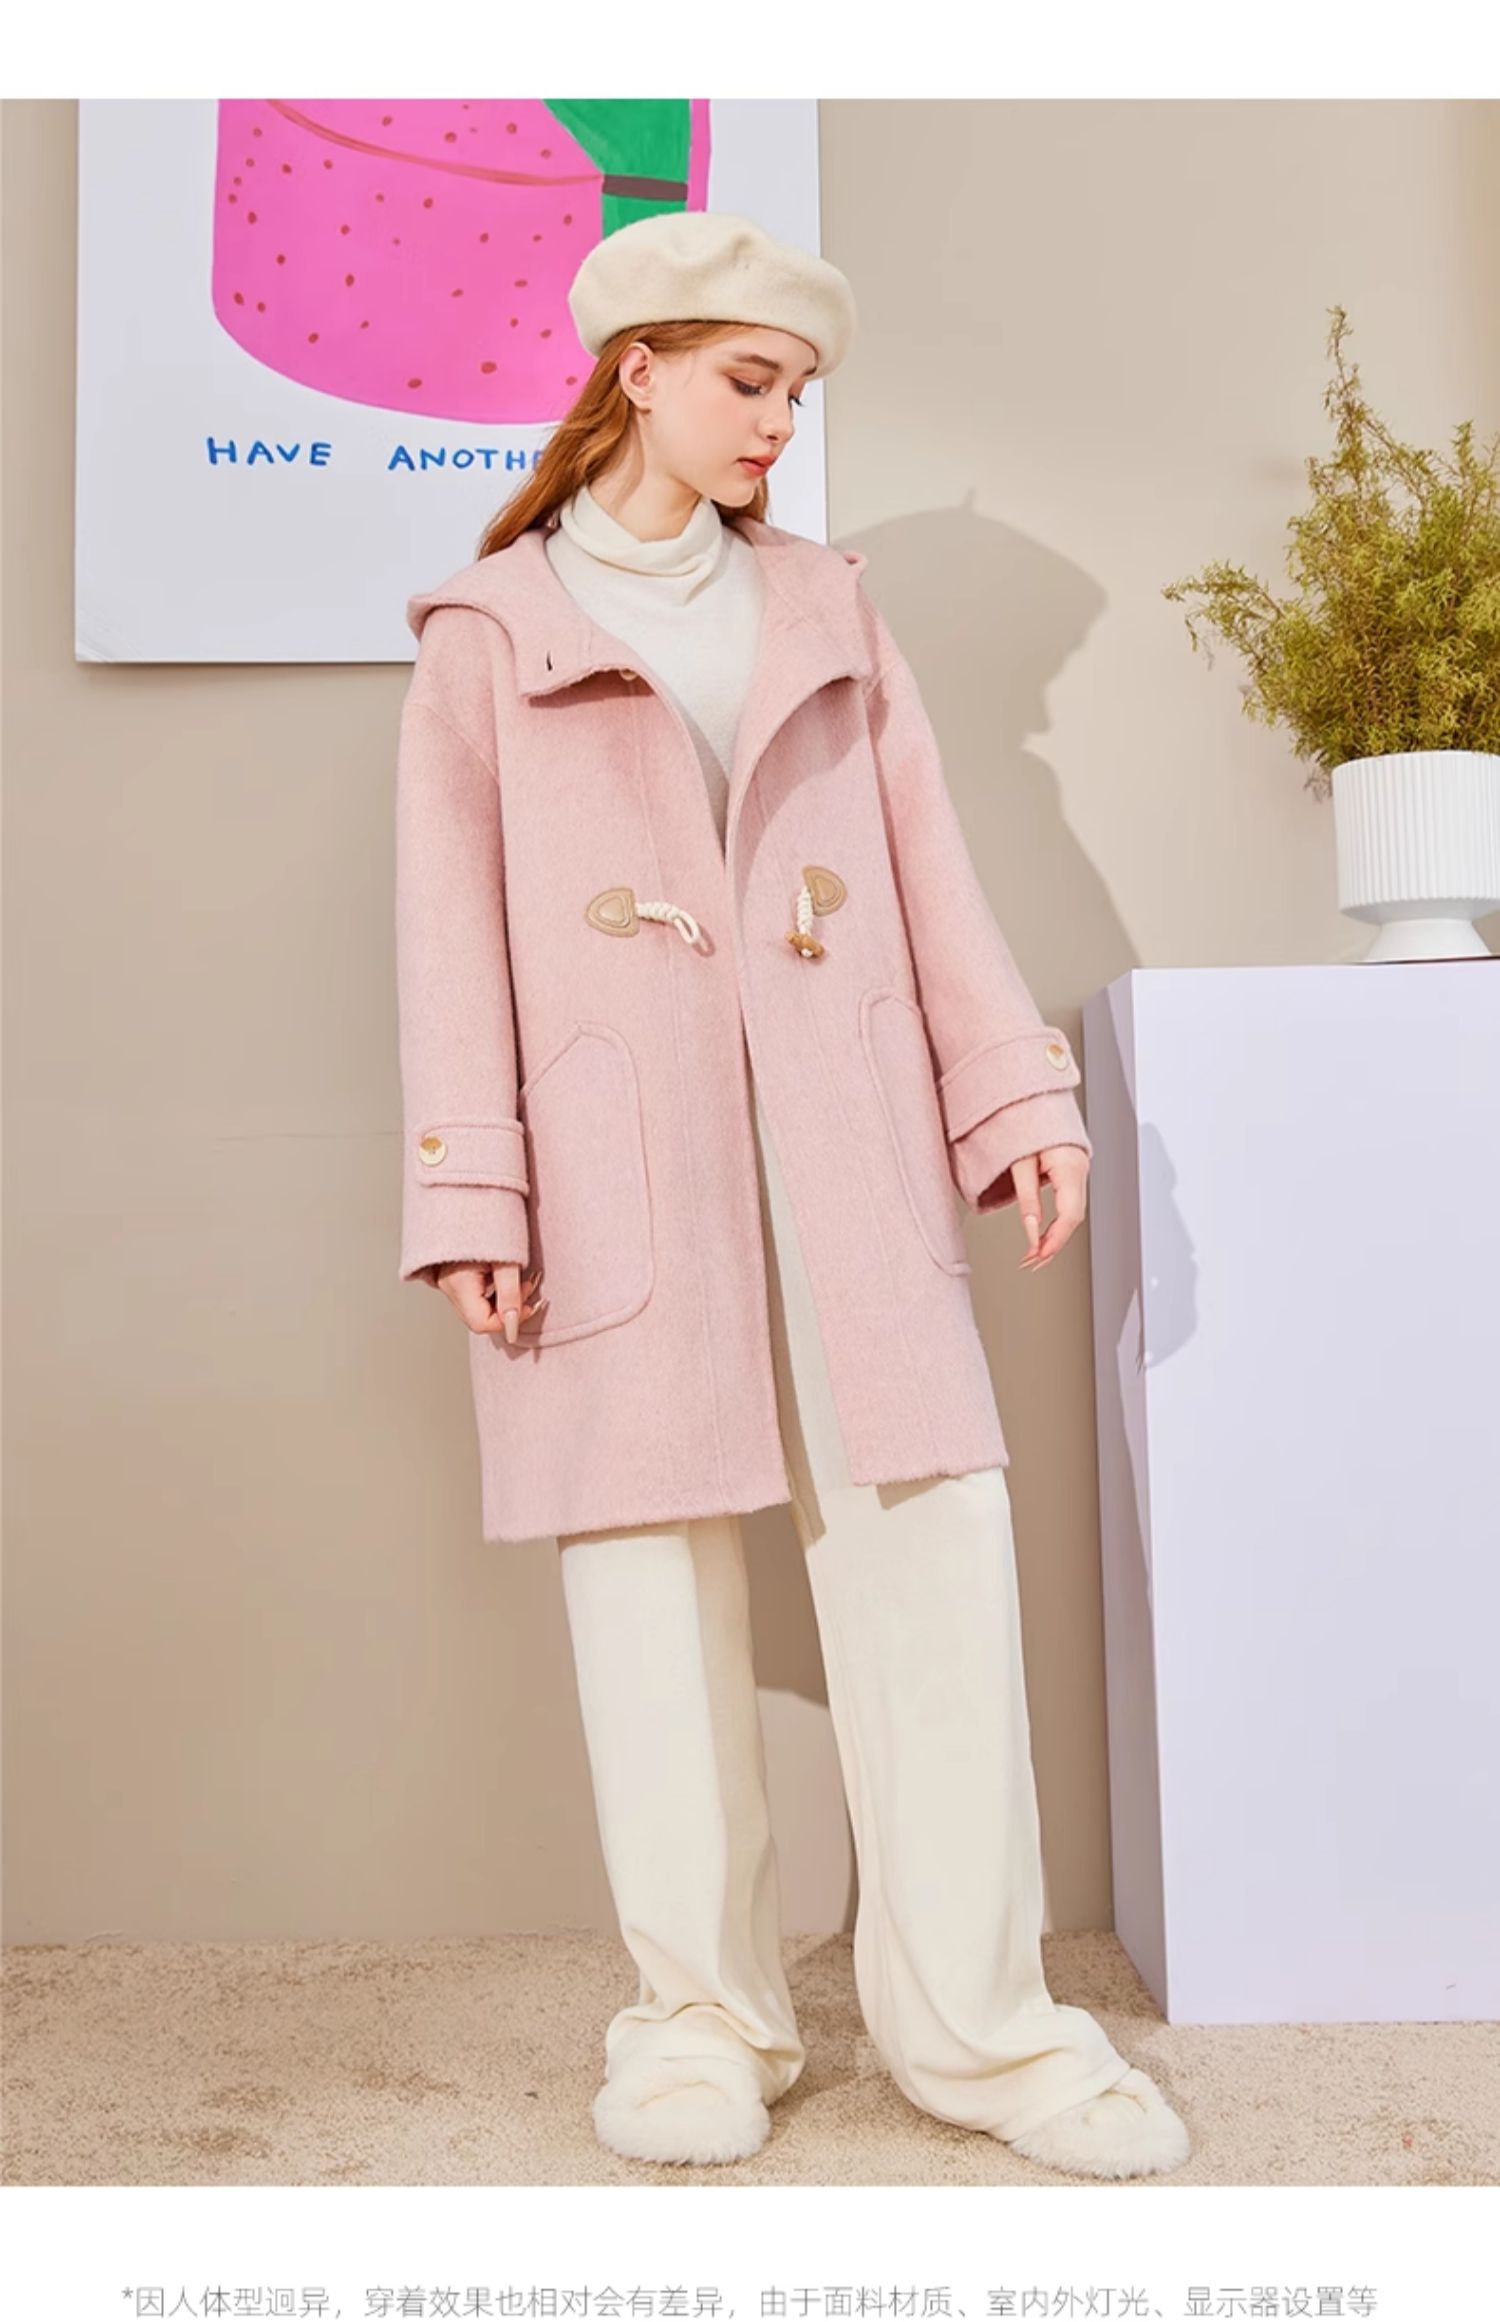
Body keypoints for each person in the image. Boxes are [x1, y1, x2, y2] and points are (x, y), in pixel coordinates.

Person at [395, 210, 1190, 2179]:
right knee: (643, 1572)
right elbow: (446, 933)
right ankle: (702, 2024)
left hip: (841, 1129)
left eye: (800, 391)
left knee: (934, 1541)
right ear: (638, 370)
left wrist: (1014, 1094)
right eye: (750, 380)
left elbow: (926, 865)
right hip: (617, 1153)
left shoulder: (828, 608)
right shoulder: (490, 635)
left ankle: (984, 2032)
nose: (778, 422)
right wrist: (474, 1190)